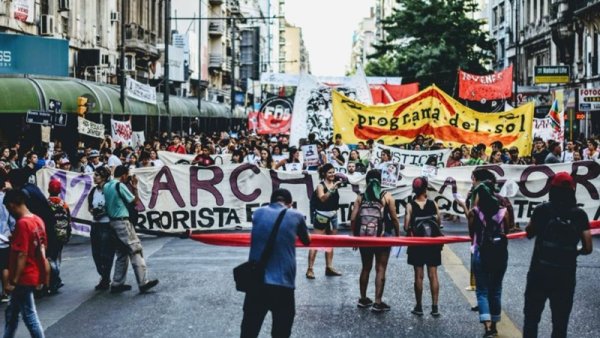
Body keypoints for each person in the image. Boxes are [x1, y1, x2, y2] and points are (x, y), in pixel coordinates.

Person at [522, 172, 592, 338]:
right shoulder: (579, 214)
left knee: (531, 319)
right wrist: (575, 252)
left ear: (552, 189)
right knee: (560, 323)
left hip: (539, 272)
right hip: (565, 275)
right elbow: (588, 247)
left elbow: (529, 233)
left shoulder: (542, 210)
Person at [240, 189, 310, 338]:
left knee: (249, 331)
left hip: (256, 281)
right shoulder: (296, 215)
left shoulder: (257, 213)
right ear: (289, 204)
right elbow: (306, 240)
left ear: (270, 201)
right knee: (281, 332)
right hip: (283, 283)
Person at [350, 169, 400, 312]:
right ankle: (378, 302)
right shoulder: (387, 196)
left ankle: (363, 298)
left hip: (364, 237)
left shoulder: (360, 197)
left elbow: (353, 219)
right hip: (383, 237)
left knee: (366, 267)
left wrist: (355, 237)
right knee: (380, 268)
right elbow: (395, 218)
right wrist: (397, 236)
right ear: (381, 181)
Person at [104, 165, 158, 294]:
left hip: (112, 222)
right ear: (123, 175)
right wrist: (135, 188)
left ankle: (117, 282)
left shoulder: (106, 186)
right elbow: (135, 201)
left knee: (122, 253)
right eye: (127, 175)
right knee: (135, 250)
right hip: (122, 222)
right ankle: (143, 282)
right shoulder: (120, 186)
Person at [467, 179, 510, 338]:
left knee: (482, 291)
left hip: (480, 253)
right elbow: (509, 230)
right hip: (500, 254)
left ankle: (488, 325)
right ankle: (495, 323)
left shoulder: (474, 212)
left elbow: (471, 234)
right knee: (496, 290)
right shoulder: (504, 212)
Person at [3, 189, 47, 338]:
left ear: (12, 205)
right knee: (12, 312)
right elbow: (41, 247)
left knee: (29, 315)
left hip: (24, 275)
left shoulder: (22, 224)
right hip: (33, 271)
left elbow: (22, 254)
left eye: (9, 209)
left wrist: (14, 279)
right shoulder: (37, 220)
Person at [405, 177, 443, 317]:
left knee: (418, 276)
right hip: (432, 244)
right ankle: (434, 307)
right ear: (425, 189)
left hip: (417, 244)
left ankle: (419, 306)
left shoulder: (410, 205)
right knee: (433, 275)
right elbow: (438, 222)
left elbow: (406, 226)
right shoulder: (433, 204)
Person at [306, 163, 342, 279]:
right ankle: (310, 269)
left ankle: (329, 267)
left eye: (333, 172)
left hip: (334, 215)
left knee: (330, 242)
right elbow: (322, 198)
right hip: (322, 216)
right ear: (324, 174)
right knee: (316, 242)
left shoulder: (334, 183)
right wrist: (333, 188)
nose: (332, 174)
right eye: (329, 172)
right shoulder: (320, 186)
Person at [87, 167, 116, 291]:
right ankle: (103, 275)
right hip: (95, 224)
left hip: (106, 224)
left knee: (106, 253)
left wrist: (103, 212)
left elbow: (113, 205)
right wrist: (93, 211)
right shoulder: (94, 190)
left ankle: (105, 278)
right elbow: (89, 205)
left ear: (103, 177)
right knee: (96, 253)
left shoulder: (109, 189)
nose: (94, 177)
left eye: (97, 175)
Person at [46, 180, 72, 294]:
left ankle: (55, 279)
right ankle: (56, 276)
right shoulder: (63, 204)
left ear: (48, 190)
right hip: (62, 233)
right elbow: (69, 218)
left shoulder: (46, 203)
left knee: (50, 257)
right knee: (58, 256)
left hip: (51, 234)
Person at [0, 174, 15, 303]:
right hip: (4, 236)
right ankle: (5, 292)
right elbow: (11, 220)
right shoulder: (5, 200)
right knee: (4, 265)